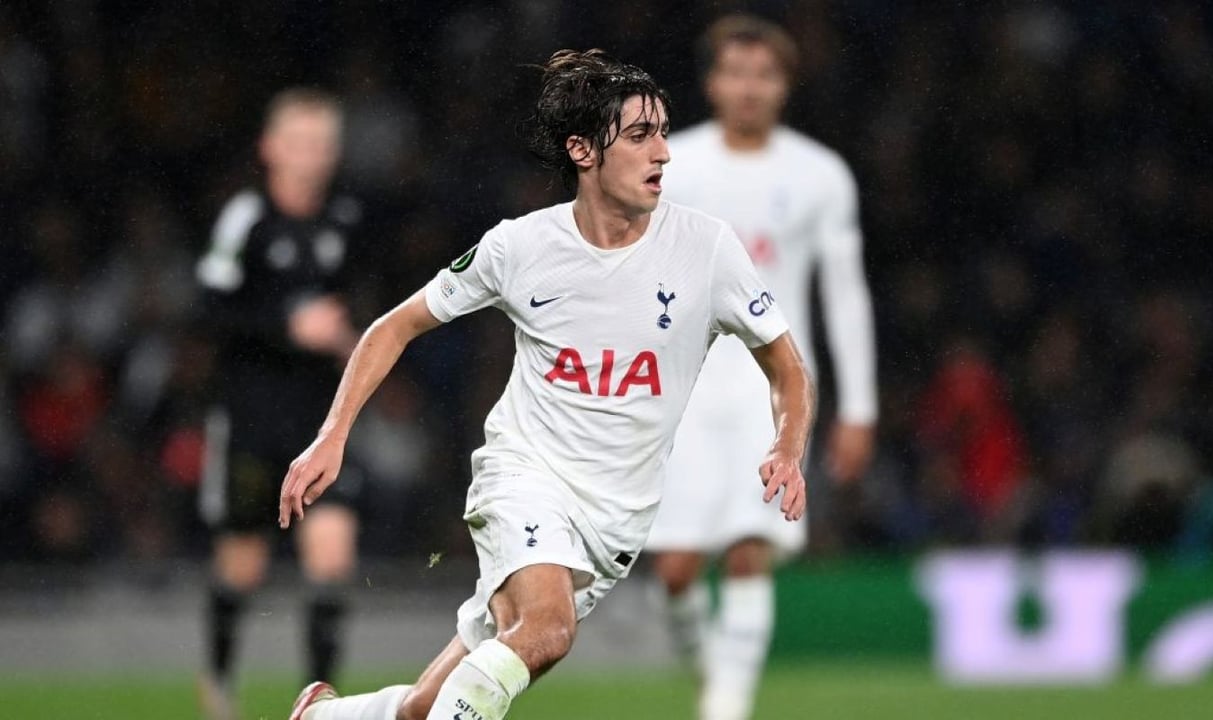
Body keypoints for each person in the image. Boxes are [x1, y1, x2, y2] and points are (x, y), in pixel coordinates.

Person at [278, 49, 815, 720]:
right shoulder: (520, 247)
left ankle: (323, 716)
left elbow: (787, 365)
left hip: (613, 522)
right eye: (640, 135)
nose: (663, 153)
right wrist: (332, 435)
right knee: (547, 631)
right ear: (583, 150)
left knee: (428, 705)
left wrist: (787, 445)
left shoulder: (706, 249)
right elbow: (394, 326)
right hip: (524, 477)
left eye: (663, 132)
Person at [643, 15, 878, 720]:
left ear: (785, 86)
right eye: (736, 72)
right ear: (712, 82)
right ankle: (711, 676)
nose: (749, 87)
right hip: (683, 388)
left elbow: (844, 293)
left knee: (751, 548)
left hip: (771, 390)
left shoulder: (819, 175)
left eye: (764, 75)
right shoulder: (671, 166)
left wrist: (859, 407)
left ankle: (727, 705)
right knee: (676, 569)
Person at [195, 88, 366, 720]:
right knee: (242, 567)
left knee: (332, 560)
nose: (312, 156)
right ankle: (217, 684)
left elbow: (359, 304)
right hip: (251, 420)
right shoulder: (246, 219)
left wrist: (349, 339)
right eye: (300, 143)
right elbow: (208, 310)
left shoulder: (345, 221)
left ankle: (318, 704)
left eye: (322, 144)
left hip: (320, 424)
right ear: (270, 148)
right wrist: (287, 328)